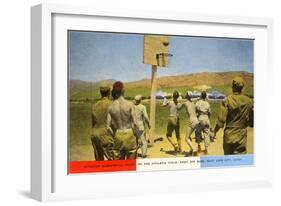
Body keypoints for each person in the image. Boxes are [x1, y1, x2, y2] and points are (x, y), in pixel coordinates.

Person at [214, 77, 254, 155]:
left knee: (228, 161)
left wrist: (215, 131)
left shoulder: (227, 100)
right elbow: (252, 123)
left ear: (233, 87)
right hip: (241, 136)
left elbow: (221, 121)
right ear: (242, 87)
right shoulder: (249, 101)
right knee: (240, 160)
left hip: (229, 135)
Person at [106, 81, 138, 159]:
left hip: (118, 134)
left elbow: (108, 127)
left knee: (119, 165)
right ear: (123, 90)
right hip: (129, 133)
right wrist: (138, 137)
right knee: (131, 164)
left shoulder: (110, 107)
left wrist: (114, 135)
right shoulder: (130, 104)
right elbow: (135, 123)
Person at [91, 86, 114, 160]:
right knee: (113, 160)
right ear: (109, 93)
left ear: (100, 93)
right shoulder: (112, 104)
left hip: (94, 134)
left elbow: (93, 123)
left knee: (99, 161)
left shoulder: (94, 105)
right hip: (106, 135)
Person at [182, 91, 199, 156]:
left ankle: (194, 150)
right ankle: (191, 151)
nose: (185, 95)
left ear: (188, 96)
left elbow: (178, 107)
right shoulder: (193, 103)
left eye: (186, 94)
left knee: (186, 138)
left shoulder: (185, 103)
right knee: (189, 136)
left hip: (191, 120)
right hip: (196, 121)